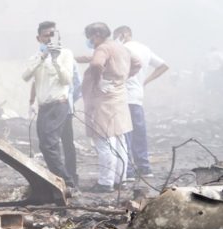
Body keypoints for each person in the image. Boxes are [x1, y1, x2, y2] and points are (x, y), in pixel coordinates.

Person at [81, 22, 141, 193]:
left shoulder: (103, 48)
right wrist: (122, 78)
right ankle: (119, 179)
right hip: (119, 97)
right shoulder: (120, 47)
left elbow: (96, 64)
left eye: (90, 37)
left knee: (104, 141)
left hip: (104, 101)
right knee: (119, 139)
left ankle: (105, 182)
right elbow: (137, 63)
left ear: (96, 34)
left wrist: (99, 79)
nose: (90, 41)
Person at [22, 21, 77, 190]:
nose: (49, 38)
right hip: (44, 107)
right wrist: (43, 57)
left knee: (51, 144)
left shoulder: (65, 54)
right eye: (46, 35)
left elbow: (67, 80)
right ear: (39, 38)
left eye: (52, 34)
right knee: (45, 144)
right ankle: (62, 179)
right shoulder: (36, 56)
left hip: (59, 104)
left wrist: (55, 60)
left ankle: (66, 183)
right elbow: (26, 76)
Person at [113, 26, 169, 180]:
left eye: (116, 35)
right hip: (137, 96)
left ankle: (129, 170)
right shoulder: (145, 48)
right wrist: (145, 81)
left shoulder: (121, 48)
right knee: (139, 132)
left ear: (124, 34)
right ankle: (144, 168)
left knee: (125, 133)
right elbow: (163, 66)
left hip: (123, 95)